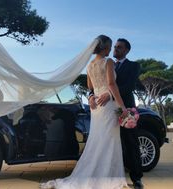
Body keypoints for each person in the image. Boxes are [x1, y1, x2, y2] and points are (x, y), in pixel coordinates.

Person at [40, 35, 128, 189]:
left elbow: (90, 86)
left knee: (98, 139)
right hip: (108, 106)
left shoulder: (90, 65)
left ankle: (97, 173)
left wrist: (92, 97)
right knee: (109, 140)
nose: (111, 49)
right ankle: (108, 176)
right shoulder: (108, 62)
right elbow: (112, 84)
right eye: (111, 46)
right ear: (106, 47)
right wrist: (123, 108)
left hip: (96, 107)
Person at [91, 38, 143, 189]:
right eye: (115, 46)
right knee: (109, 144)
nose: (116, 49)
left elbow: (129, 86)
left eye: (119, 47)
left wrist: (110, 94)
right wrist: (90, 96)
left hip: (125, 109)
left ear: (127, 50)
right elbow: (94, 84)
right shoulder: (107, 63)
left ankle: (136, 178)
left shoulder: (133, 66)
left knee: (131, 143)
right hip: (107, 111)